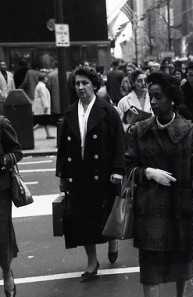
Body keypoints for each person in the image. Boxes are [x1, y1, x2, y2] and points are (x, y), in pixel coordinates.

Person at [124, 72, 193, 297]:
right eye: (150, 97)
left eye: (158, 97)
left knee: (183, 260)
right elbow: (129, 166)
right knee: (149, 265)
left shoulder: (189, 130)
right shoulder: (140, 130)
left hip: (181, 206)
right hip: (150, 207)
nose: (152, 102)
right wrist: (148, 172)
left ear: (172, 99)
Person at [56, 66, 125, 282]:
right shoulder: (69, 114)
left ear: (95, 85)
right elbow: (63, 149)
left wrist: (117, 170)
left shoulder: (108, 111)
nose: (80, 87)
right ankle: (92, 262)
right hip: (78, 174)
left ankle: (113, 241)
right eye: (77, 83)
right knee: (84, 220)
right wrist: (62, 176)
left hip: (103, 174)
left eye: (85, 83)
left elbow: (119, 145)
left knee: (106, 214)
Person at [0, 116, 23, 297]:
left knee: (2, 236)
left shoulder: (1, 123)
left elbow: (17, 151)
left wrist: (3, 161)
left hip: (0, 191)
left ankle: (6, 273)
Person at [116, 69, 152, 135]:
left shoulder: (153, 98)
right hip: (132, 138)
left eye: (145, 80)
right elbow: (119, 125)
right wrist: (131, 128)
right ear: (133, 83)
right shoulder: (124, 101)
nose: (144, 83)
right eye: (139, 81)